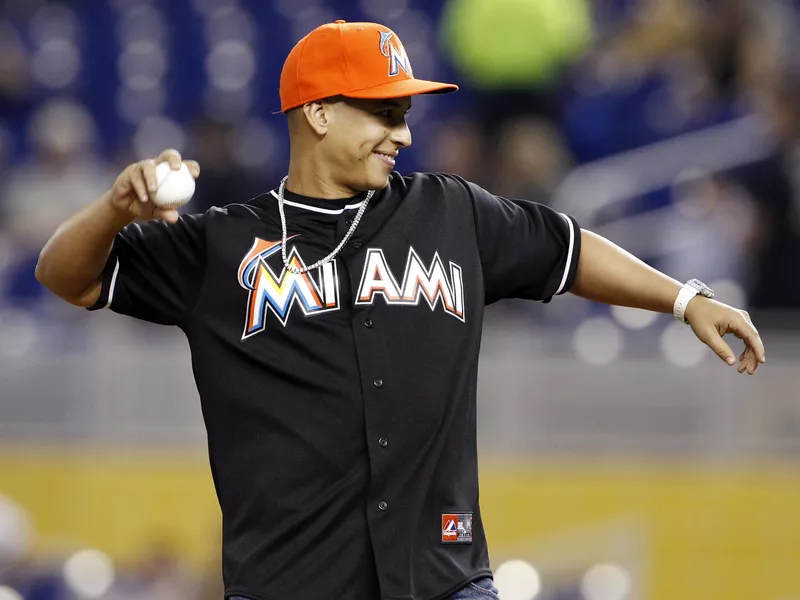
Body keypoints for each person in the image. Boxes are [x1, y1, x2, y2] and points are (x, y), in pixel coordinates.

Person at [35, 20, 765, 600]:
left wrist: (683, 297)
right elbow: (66, 277)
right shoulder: (221, 244)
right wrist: (112, 209)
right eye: (384, 111)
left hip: (446, 579)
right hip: (291, 584)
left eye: (406, 111)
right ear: (318, 112)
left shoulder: (452, 212)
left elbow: (567, 248)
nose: (404, 132)